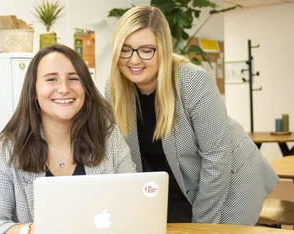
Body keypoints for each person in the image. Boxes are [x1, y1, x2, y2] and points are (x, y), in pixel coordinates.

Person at [106, 5, 279, 225]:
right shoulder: (114, 88)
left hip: (228, 182)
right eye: (125, 49)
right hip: (174, 190)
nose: (134, 60)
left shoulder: (192, 81)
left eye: (146, 50)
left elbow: (217, 159)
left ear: (164, 49)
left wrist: (203, 225)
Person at [0, 44, 136, 234]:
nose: (64, 88)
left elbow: (134, 205)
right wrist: (33, 231)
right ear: (33, 91)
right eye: (51, 79)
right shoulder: (7, 150)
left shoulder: (110, 139)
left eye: (73, 79)